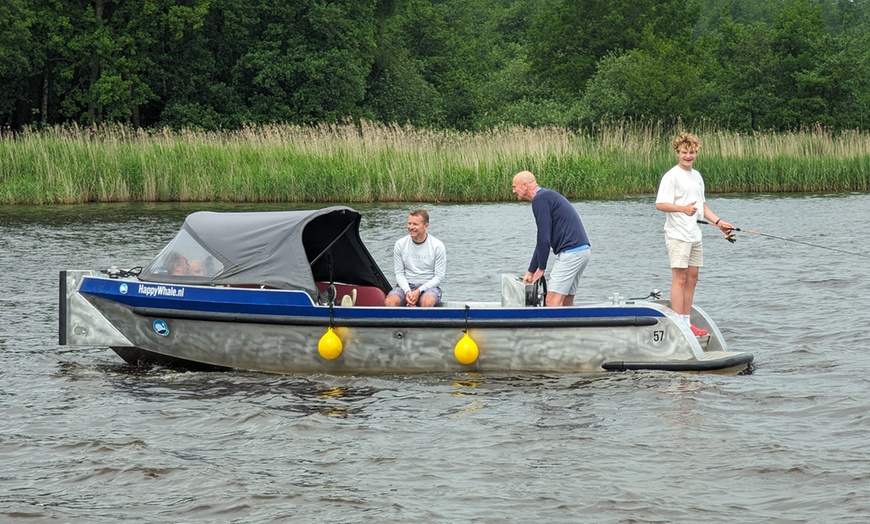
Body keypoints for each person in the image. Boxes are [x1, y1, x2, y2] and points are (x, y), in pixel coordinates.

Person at [655, 132, 733, 337]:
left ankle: (687, 322)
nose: (688, 156)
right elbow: (660, 204)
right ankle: (679, 324)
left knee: (693, 277)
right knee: (679, 278)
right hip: (677, 234)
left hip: (694, 235)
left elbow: (702, 206)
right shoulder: (671, 176)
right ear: (677, 153)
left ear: (696, 153)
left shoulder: (696, 175)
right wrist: (682, 209)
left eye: (691, 152)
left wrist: (718, 222)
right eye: (684, 152)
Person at [511, 170, 591, 307]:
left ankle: (547, 329)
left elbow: (543, 238)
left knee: (551, 301)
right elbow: (543, 239)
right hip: (581, 251)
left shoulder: (540, 199)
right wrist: (531, 270)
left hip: (571, 253)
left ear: (524, 185)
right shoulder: (545, 197)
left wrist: (541, 268)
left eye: (514, 186)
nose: (513, 191)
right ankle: (571, 328)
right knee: (565, 301)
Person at [384, 208, 446, 307]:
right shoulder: (400, 244)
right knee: (389, 302)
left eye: (415, 224)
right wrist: (408, 291)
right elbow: (399, 273)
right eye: (409, 224)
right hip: (406, 286)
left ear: (426, 226)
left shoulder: (437, 246)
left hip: (429, 287)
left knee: (427, 302)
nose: (411, 227)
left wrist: (419, 290)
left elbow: (439, 277)